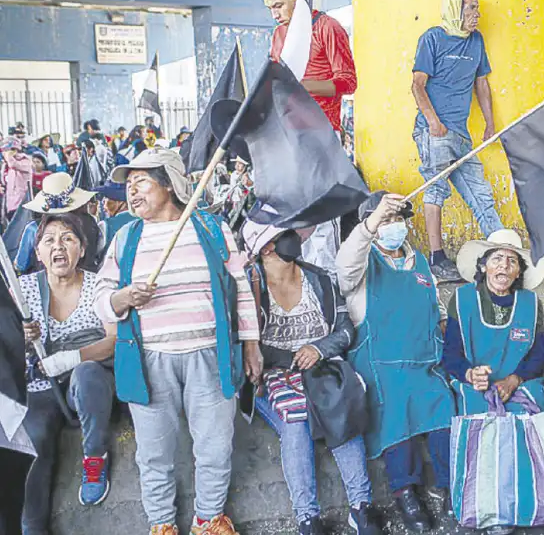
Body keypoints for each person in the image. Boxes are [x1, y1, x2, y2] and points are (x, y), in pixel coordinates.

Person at [93, 148, 261, 535]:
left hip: (209, 355)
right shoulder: (125, 237)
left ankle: (208, 518)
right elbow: (101, 299)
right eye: (128, 186)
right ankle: (161, 525)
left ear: (169, 184)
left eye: (140, 182)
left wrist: (250, 344)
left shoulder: (210, 228)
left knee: (216, 445)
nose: (131, 193)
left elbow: (239, 288)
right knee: (153, 453)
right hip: (149, 361)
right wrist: (124, 298)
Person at [242, 221, 380, 535]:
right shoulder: (250, 286)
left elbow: (345, 330)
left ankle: (360, 507)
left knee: (337, 407)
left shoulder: (319, 279)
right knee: (296, 418)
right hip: (274, 376)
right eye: (283, 236)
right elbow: (245, 344)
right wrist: (290, 358)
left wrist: (319, 349)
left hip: (323, 369)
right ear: (266, 248)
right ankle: (307, 517)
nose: (294, 238)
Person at [336, 191, 455, 533]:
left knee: (442, 408)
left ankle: (448, 488)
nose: (393, 226)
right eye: (386, 220)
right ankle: (406, 494)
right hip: (380, 364)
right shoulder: (362, 261)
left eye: (397, 219)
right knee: (395, 415)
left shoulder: (418, 262)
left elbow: (435, 304)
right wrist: (372, 223)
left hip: (424, 360)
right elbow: (344, 269)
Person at [443, 230, 544, 535]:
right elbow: (451, 353)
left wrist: (515, 380)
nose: (504, 266)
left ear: (519, 272)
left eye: (512, 261)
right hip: (475, 385)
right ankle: (486, 504)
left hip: (519, 383)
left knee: (526, 414)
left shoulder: (531, 303)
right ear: (484, 266)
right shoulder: (462, 299)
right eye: (497, 258)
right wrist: (468, 373)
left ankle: (527, 500)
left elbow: (538, 358)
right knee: (480, 418)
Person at [19, 214, 116, 535]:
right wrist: (16, 334)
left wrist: (70, 358)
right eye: (49, 240)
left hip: (86, 386)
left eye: (67, 238)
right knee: (33, 445)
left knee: (87, 374)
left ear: (82, 248)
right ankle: (33, 528)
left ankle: (94, 460)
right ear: (38, 252)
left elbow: (113, 341)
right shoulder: (22, 291)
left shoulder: (98, 286)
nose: (58, 246)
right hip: (40, 387)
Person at [410, 0, 503, 279]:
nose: (477, 14)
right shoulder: (433, 38)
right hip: (434, 130)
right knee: (436, 189)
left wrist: (489, 123)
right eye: (472, 8)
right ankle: (437, 257)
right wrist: (433, 122)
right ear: (455, 9)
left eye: (477, 8)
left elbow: (482, 84)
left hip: (462, 135)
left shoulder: (476, 41)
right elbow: (417, 84)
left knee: (480, 193)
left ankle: (503, 250)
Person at [256, 0, 357, 134]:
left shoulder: (327, 27)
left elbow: (349, 82)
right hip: (287, 129)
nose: (275, 15)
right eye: (270, 9)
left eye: (279, 6)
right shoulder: (279, 34)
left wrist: (302, 86)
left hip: (322, 130)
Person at [20, 172, 102, 273]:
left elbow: (21, 264)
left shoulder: (33, 228)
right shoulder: (90, 222)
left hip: (48, 285)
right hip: (89, 282)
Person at [93, 182, 137, 260]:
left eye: (106, 199)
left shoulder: (105, 225)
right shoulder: (145, 221)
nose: (103, 205)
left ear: (120, 202)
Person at [2, 137, 32, 218]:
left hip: (22, 202)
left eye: (6, 150)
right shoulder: (5, 165)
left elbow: (14, 165)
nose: (4, 153)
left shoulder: (25, 160)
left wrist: (9, 157)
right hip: (9, 203)